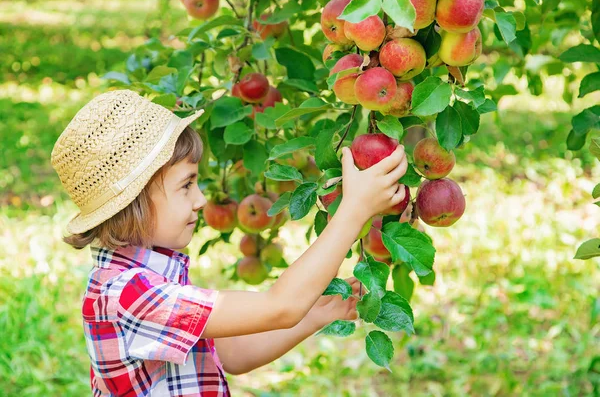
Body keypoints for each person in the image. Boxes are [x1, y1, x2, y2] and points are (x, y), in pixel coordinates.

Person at [51, 89, 408, 396]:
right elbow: (279, 306)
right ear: (135, 202)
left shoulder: (148, 277)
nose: (201, 200)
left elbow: (232, 353)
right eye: (186, 185)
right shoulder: (129, 295)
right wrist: (354, 211)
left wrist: (316, 314)